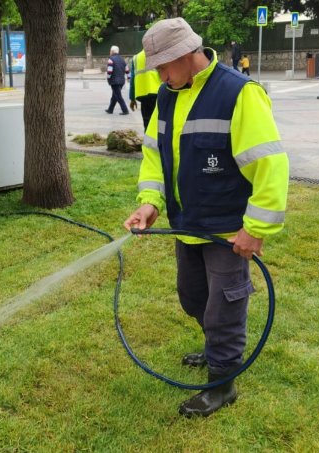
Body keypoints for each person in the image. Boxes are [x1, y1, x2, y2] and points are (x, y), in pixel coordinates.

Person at [122, 17, 289, 418]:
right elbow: (154, 157)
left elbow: (270, 164)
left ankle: (222, 385)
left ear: (187, 54)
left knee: (224, 308)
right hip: (187, 225)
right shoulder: (167, 95)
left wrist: (256, 229)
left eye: (163, 66)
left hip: (228, 231)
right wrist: (150, 202)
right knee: (193, 297)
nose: (159, 76)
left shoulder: (240, 93)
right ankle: (217, 347)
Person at [129, 49, 163, 131]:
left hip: (142, 94)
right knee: (160, 122)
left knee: (147, 122)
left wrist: (132, 98)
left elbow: (132, 79)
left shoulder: (136, 57)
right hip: (157, 93)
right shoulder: (157, 54)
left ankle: (149, 142)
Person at [105, 45, 130, 115]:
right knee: (114, 96)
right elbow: (127, 70)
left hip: (114, 81)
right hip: (121, 81)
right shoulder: (122, 59)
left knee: (118, 96)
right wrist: (129, 78)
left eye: (110, 50)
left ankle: (125, 110)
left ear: (112, 51)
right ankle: (110, 109)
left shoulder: (111, 59)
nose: (109, 52)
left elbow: (109, 71)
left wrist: (108, 78)